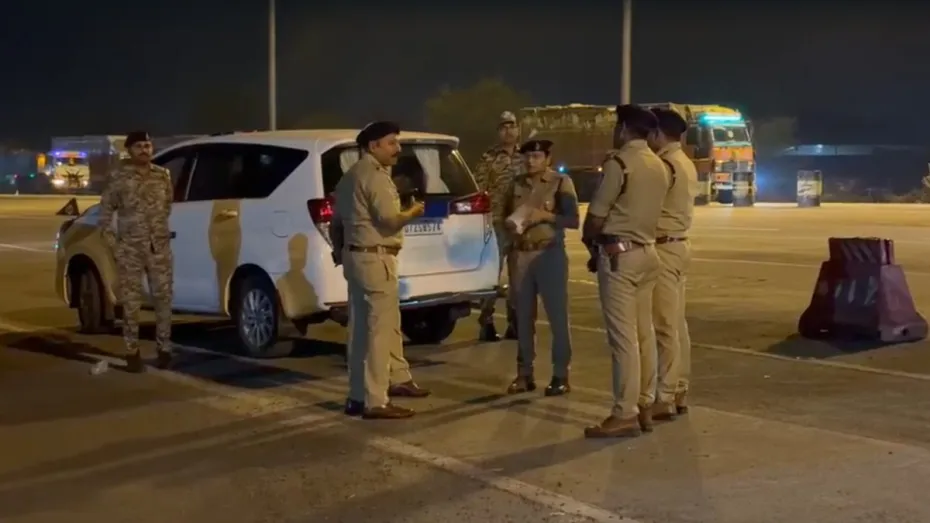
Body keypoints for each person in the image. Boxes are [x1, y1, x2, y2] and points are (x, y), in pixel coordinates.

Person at [581, 105, 670, 438]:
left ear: (623, 129)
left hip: (620, 257)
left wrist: (591, 242)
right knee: (644, 334)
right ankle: (645, 404)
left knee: (623, 339)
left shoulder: (619, 164)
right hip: (649, 253)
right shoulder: (659, 165)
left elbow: (596, 216)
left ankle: (624, 413)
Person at [330, 121, 429, 420]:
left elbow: (336, 224)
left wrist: (341, 253)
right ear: (373, 146)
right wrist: (413, 212)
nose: (397, 148)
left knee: (360, 332)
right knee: (379, 333)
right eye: (391, 143)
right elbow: (389, 220)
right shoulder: (375, 176)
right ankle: (376, 401)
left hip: (355, 258)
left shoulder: (349, 176)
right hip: (376, 260)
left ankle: (356, 397)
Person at [502, 139, 579, 396]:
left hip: (549, 254)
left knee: (557, 317)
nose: (531, 161)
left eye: (536, 156)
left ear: (547, 158)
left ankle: (560, 375)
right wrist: (509, 235)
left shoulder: (560, 183)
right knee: (523, 318)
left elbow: (573, 220)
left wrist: (544, 216)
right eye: (527, 156)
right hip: (521, 254)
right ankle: (524, 373)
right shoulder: (515, 184)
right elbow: (502, 218)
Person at [98, 131, 175, 373]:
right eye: (139, 146)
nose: (144, 150)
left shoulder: (162, 175)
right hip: (130, 249)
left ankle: (164, 349)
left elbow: (167, 206)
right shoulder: (118, 177)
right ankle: (132, 351)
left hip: (158, 248)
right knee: (131, 303)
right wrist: (116, 247)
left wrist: (157, 232)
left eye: (148, 145)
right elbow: (105, 216)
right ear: (129, 150)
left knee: (163, 299)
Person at [645, 107, 697, 420]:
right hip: (679, 245)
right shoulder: (684, 162)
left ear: (657, 133)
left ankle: (664, 396)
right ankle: (679, 388)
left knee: (664, 326)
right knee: (677, 324)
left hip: (664, 248)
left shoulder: (664, 165)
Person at [473, 111, 522, 342]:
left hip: (520, 225)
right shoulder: (488, 158)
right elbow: (479, 189)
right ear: (498, 131)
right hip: (496, 224)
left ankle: (515, 322)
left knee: (519, 278)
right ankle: (487, 322)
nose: (508, 131)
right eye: (504, 127)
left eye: (512, 126)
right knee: (492, 276)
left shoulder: (526, 156)